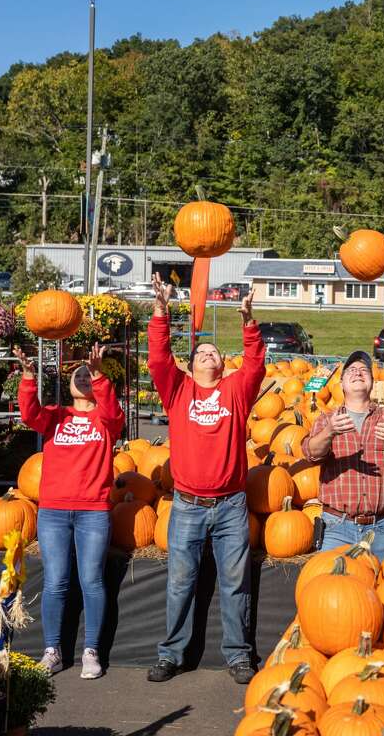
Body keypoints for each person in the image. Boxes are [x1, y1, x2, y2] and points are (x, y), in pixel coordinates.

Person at [146, 273, 265, 685]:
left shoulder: (236, 392)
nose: (209, 355)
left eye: (215, 352)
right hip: (187, 505)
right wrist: (160, 312)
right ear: (191, 364)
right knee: (180, 584)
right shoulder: (177, 391)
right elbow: (158, 359)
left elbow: (255, 365)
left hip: (231, 504)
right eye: (202, 353)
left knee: (235, 584)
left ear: (222, 364)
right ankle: (171, 654)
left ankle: (239, 656)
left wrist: (248, 322)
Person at [15, 342, 123, 680]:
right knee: (56, 582)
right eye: (79, 374)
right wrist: (28, 378)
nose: (84, 377)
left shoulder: (106, 420)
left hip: (93, 511)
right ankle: (53, 651)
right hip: (53, 512)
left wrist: (99, 375)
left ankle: (91, 651)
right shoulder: (56, 416)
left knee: (91, 580)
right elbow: (29, 414)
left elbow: (113, 412)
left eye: (89, 375)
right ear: (68, 384)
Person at [302, 350, 384, 561]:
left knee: (377, 581)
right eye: (351, 370)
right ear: (342, 384)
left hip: (379, 528)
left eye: (364, 370)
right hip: (336, 527)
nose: (358, 372)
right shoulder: (327, 420)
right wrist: (329, 432)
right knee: (332, 581)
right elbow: (311, 453)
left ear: (372, 383)